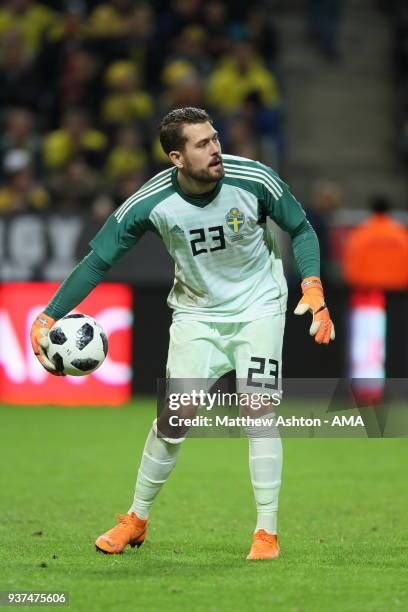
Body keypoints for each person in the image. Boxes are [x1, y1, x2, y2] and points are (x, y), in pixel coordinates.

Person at [30, 107, 335, 561]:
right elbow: (98, 260)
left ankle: (266, 533)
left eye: (215, 139)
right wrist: (48, 316)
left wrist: (312, 283)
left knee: (258, 409)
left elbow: (302, 228)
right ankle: (135, 519)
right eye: (202, 144)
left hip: (259, 308)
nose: (216, 150)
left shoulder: (254, 179)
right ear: (177, 156)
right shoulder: (150, 202)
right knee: (174, 422)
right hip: (195, 315)